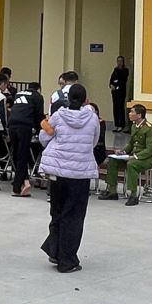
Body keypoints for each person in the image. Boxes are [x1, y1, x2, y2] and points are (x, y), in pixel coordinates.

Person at [38, 82, 100, 274]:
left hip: (58, 172)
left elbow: (43, 137)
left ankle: (55, 251)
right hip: (80, 173)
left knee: (57, 211)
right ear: (85, 100)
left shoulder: (58, 116)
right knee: (73, 217)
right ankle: (67, 260)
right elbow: (94, 141)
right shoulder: (93, 118)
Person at [101, 104, 152, 205]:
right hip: (134, 156)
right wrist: (123, 152)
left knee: (131, 164)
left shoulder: (149, 129)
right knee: (113, 160)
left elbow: (150, 150)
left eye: (132, 112)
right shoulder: (134, 126)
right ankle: (112, 191)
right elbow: (131, 144)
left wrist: (135, 156)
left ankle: (133, 195)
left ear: (139, 115)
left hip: (147, 159)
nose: (129, 114)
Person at [5, 79, 46, 199]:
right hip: (24, 126)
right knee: (23, 155)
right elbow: (39, 115)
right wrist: (39, 131)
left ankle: (24, 181)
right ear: (38, 89)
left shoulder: (19, 94)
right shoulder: (37, 96)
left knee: (17, 154)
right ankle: (17, 187)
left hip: (12, 125)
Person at [108, 56, 131, 133]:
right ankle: (116, 124)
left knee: (120, 107)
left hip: (121, 92)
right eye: (118, 61)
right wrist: (111, 85)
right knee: (115, 108)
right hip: (114, 92)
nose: (119, 62)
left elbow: (122, 80)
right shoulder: (115, 70)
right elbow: (112, 79)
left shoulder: (125, 70)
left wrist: (116, 83)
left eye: (121, 61)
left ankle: (121, 124)